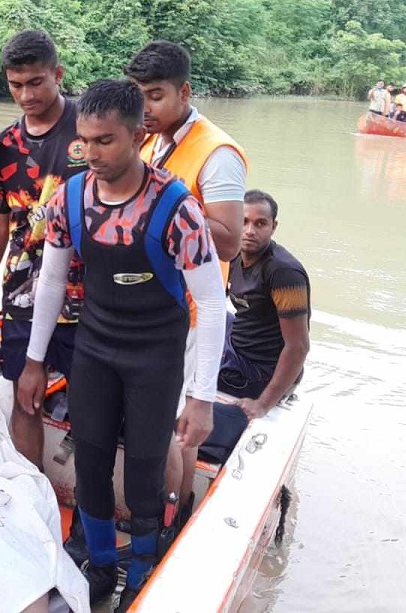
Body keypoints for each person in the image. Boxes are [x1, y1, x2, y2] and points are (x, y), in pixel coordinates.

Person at [18, 80, 224, 607]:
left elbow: (213, 302)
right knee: (89, 461)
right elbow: (52, 280)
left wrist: (201, 397)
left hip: (155, 355)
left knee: (144, 473)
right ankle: (102, 568)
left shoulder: (177, 208)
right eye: (85, 140)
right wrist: (35, 361)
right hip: (95, 347)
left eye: (106, 141)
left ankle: (142, 569)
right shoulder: (70, 197)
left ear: (138, 134)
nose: (92, 154)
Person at [126, 40, 248, 513]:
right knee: (156, 420)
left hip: (191, 312)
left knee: (178, 422)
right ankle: (165, 511)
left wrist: (162, 208)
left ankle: (172, 513)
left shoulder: (216, 153)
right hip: (149, 308)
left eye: (154, 95)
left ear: (184, 92)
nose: (144, 106)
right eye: (137, 94)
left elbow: (229, 240)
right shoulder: (153, 141)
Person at [0, 29, 87, 467]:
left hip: (87, 293)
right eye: (15, 85)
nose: (25, 94)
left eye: (36, 82)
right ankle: (31, 489)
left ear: (58, 74)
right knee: (25, 397)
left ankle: (86, 501)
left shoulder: (90, 129)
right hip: (23, 292)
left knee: (92, 401)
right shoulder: (2, 148)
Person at [222, 189, 311, 418]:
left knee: (186, 362)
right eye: (243, 221)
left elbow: (299, 346)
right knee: (194, 321)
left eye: (260, 223)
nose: (250, 231)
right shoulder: (233, 254)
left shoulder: (284, 273)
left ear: (274, 227)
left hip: (258, 371)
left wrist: (262, 405)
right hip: (239, 340)